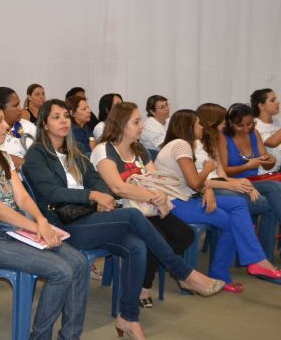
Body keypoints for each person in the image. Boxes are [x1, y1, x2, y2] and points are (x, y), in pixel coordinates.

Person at [23, 100, 224, 339]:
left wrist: (101, 195)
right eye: (56, 117)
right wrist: (92, 195)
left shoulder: (74, 151)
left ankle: (128, 317)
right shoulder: (37, 154)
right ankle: (182, 272)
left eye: (66, 115)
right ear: (44, 124)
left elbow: (97, 179)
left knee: (136, 245)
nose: (64, 121)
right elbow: (50, 192)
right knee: (132, 215)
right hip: (63, 225)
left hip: (89, 217)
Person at [0, 98, 88, 340]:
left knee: (79, 263)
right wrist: (36, 227)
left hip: (15, 230)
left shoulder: (2, 157)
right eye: (0, 120)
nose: (6, 126)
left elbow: (22, 197)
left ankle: (70, 336)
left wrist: (41, 221)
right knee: (61, 271)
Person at [155, 109, 281, 289]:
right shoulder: (181, 144)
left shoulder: (183, 144)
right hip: (175, 203)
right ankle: (250, 263)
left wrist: (207, 187)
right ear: (188, 127)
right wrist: (208, 170)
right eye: (197, 124)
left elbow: (192, 182)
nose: (201, 127)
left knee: (237, 207)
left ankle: (248, 263)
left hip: (186, 198)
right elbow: (194, 182)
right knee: (233, 216)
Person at [91, 102, 199, 304]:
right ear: (121, 124)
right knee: (157, 238)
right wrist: (151, 195)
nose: (141, 126)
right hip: (120, 211)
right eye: (136, 122)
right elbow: (118, 188)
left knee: (185, 235)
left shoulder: (139, 149)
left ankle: (149, 273)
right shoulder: (103, 150)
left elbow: (156, 179)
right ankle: (145, 285)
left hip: (146, 208)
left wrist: (160, 195)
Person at [196, 103, 280, 263]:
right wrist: (245, 171)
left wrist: (270, 160)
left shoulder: (251, 134)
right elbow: (213, 176)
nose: (245, 128)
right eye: (240, 125)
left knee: (276, 187)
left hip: (244, 182)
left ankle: (263, 259)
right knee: (268, 203)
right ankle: (262, 259)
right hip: (224, 186)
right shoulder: (218, 137)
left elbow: (221, 173)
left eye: (249, 124)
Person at [0, 87, 36, 170]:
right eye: (15, 105)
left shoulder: (28, 126)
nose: (20, 109)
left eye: (19, 104)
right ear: (0, 109)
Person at [251, 88, 281, 173]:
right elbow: (271, 142)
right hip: (264, 173)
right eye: (272, 100)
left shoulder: (277, 121)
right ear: (261, 106)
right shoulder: (254, 124)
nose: (278, 102)